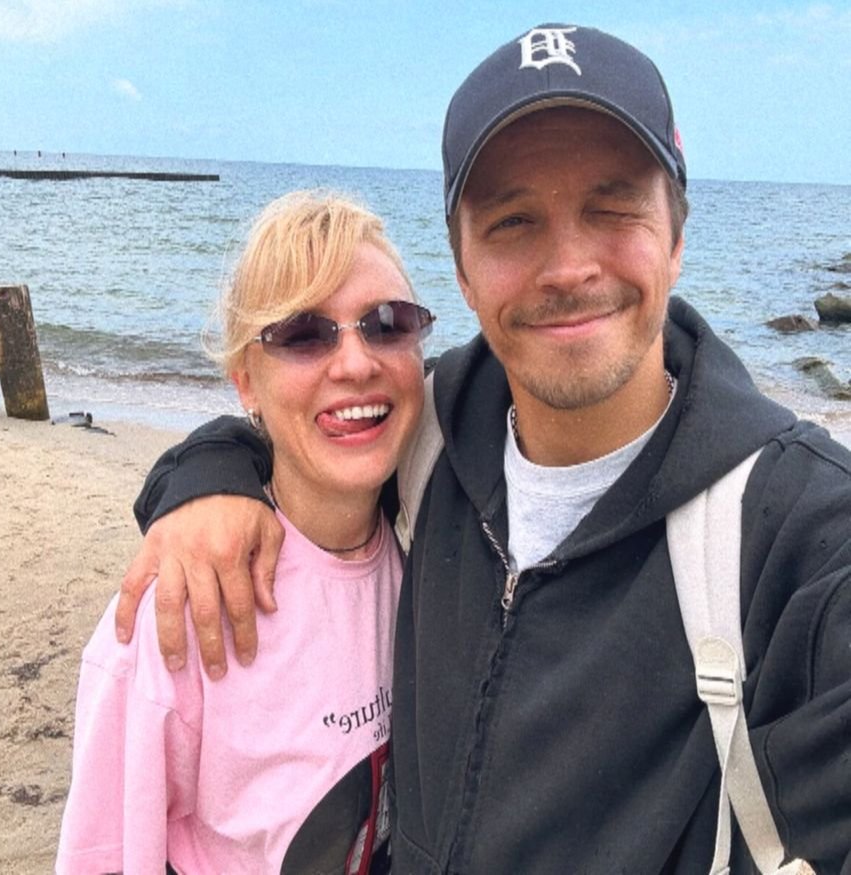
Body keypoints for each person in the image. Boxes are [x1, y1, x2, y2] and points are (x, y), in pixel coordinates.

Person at [115, 24, 851, 873]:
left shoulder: (801, 537)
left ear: (677, 238)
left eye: (612, 208)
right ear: (462, 271)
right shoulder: (431, 435)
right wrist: (207, 477)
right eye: (512, 221)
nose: (567, 266)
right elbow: (305, 421)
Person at [56, 190, 434, 873]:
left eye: (387, 322)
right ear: (245, 383)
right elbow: (105, 853)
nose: (356, 363)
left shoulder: (432, 537)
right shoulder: (179, 608)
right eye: (303, 334)